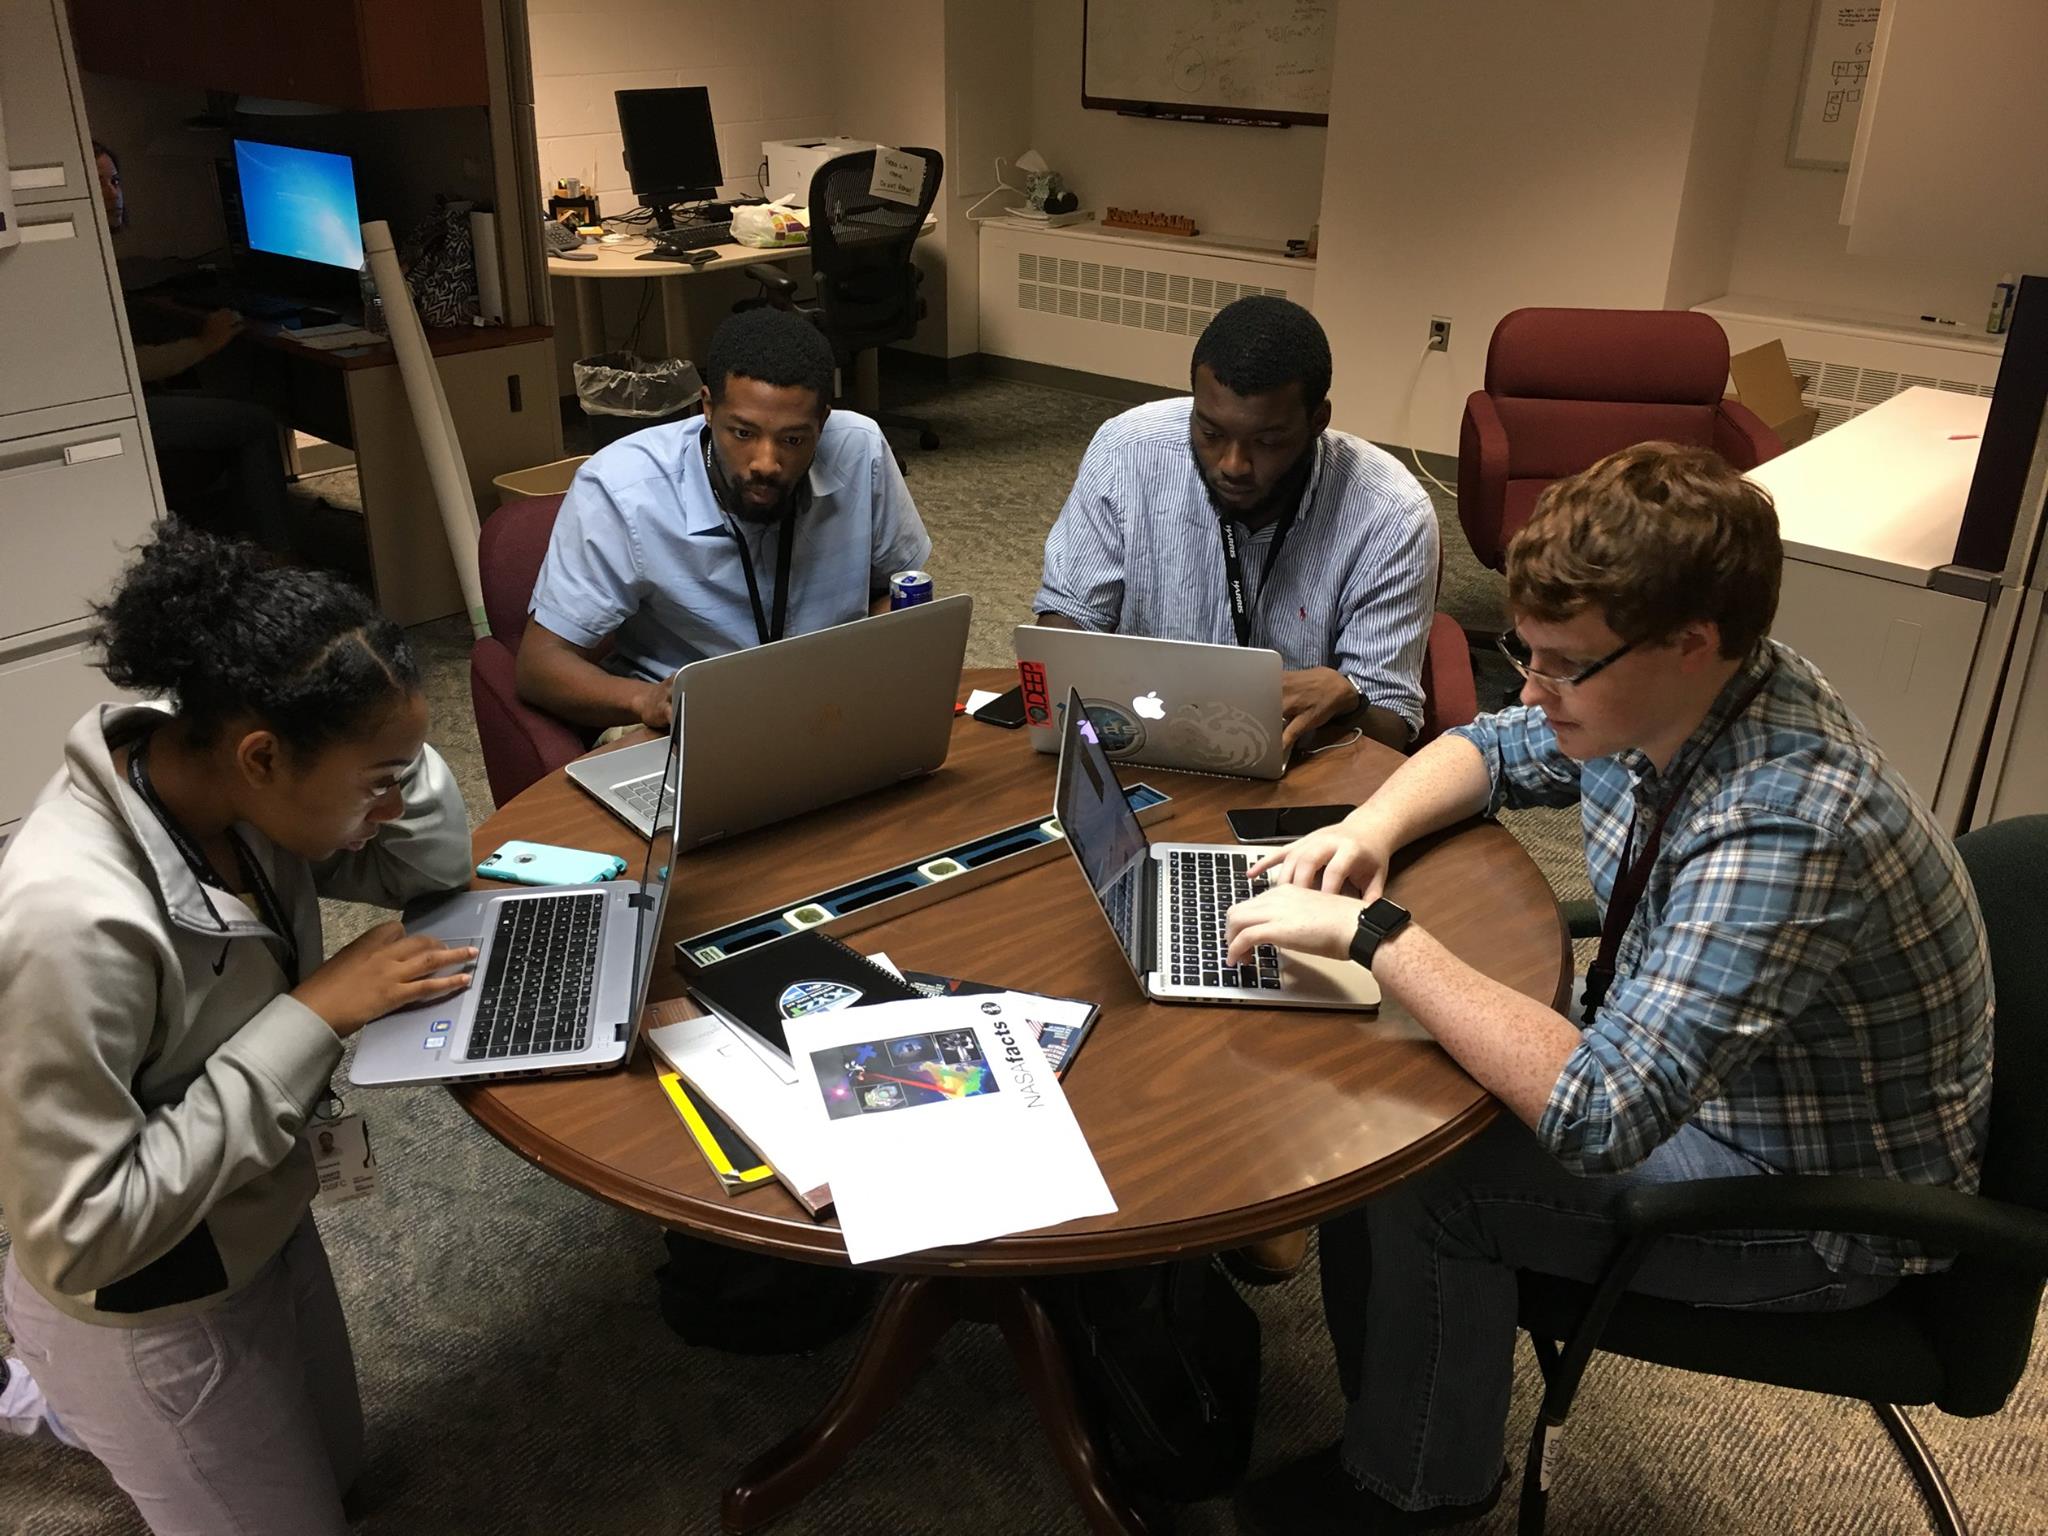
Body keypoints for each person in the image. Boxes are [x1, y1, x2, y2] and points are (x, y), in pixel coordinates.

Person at [1223, 443, 1993, 1533]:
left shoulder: (1785, 823)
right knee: (1388, 1074)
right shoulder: (1670, 692)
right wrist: (1362, 831)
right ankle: (1399, 1408)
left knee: (1423, 1168)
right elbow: (1486, 747)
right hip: (1687, 1065)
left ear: (1691, 642)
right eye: (1521, 653)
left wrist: (1376, 932)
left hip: (1805, 1200)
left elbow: (1601, 1113)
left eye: (1558, 664)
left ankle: (1411, 1494)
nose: (1529, 689)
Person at [0, 526, 477, 1533]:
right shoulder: (67, 920)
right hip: (139, 1289)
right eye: (380, 780)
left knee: (341, 1472)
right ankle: (39, 1384)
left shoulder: (226, 779)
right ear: (263, 758)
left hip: (251, 1208)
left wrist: (388, 727)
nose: (394, 803)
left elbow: (432, 868)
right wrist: (310, 1017)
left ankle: (76, 1396)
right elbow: (82, 1233)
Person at [1033, 296, 1439, 752]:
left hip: (1299, 775)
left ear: (1317, 421)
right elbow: (1065, 625)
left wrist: (1351, 704)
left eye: (1267, 441)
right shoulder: (1126, 451)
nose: (1233, 465)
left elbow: (1391, 730)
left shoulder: (1390, 512)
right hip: (1141, 749)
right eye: (1211, 434)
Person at [517, 305, 934, 733]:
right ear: (708, 408)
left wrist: (885, 657)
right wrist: (646, 701)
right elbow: (539, 665)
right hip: (686, 721)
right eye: (743, 433)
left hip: (829, 705)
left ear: (822, 423)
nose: (766, 463)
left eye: (793, 439)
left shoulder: (861, 450)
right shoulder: (623, 489)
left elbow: (897, 591)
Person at [94, 141, 299, 558]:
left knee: (236, 402)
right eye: (96, 184)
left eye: (115, 180)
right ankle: (276, 564)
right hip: (115, 412)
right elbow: (131, 366)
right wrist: (204, 342)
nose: (113, 193)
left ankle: (238, 549)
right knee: (256, 422)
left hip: (129, 402)